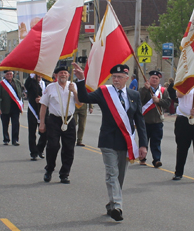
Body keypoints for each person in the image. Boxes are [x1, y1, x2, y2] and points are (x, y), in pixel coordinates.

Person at [73, 62, 147, 222]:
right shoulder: (104, 92)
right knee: (112, 173)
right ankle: (118, 206)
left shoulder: (134, 96)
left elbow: (140, 121)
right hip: (108, 141)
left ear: (127, 78)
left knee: (120, 176)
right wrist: (80, 80)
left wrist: (143, 144)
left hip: (125, 142)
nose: (116, 80)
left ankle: (111, 205)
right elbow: (84, 98)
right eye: (114, 77)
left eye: (120, 77)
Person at [39, 66, 80, 184]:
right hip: (54, 120)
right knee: (52, 146)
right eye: (61, 73)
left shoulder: (73, 86)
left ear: (68, 75)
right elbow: (43, 105)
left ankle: (64, 174)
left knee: (69, 149)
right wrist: (42, 123)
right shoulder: (50, 87)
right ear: (56, 75)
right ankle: (49, 169)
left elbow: (80, 103)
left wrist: (75, 92)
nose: (63, 75)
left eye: (65, 73)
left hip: (69, 120)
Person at [139, 70, 170, 168]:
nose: (154, 79)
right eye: (153, 78)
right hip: (145, 120)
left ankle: (156, 160)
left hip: (157, 121)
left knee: (156, 142)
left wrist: (159, 101)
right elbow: (139, 99)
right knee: (144, 141)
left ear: (159, 80)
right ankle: (142, 158)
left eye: (156, 78)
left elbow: (168, 103)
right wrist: (145, 89)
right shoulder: (143, 89)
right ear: (149, 79)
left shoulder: (163, 91)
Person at [0, 70, 23, 146]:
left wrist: (21, 104)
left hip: (15, 107)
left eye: (10, 74)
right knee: (5, 124)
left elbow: (20, 93)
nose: (9, 75)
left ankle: (15, 140)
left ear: (13, 74)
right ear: (5, 75)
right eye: (7, 74)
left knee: (16, 124)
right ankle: (6, 139)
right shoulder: (2, 84)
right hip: (5, 107)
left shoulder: (17, 82)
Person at [24, 73, 47, 160]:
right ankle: (33, 152)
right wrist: (32, 75)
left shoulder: (46, 84)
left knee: (45, 132)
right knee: (32, 132)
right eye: (37, 75)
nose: (39, 77)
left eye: (41, 75)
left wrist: (42, 99)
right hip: (33, 110)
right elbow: (27, 84)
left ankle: (40, 149)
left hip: (43, 110)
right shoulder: (31, 83)